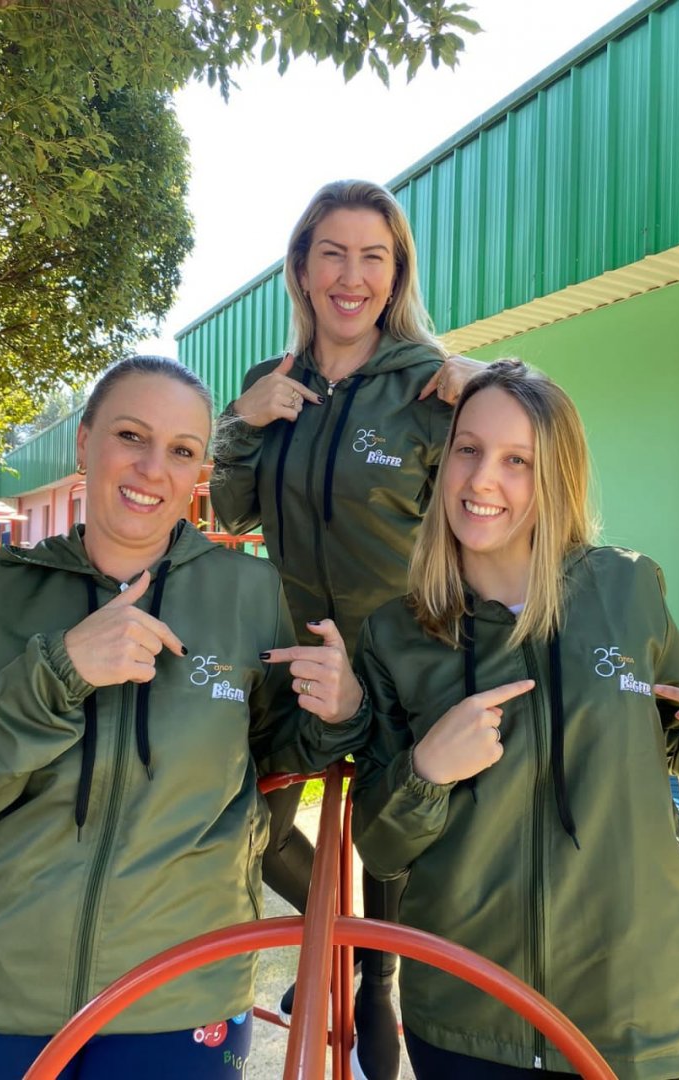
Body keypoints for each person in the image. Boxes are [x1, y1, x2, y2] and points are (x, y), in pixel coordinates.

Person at [0, 355, 368, 1080]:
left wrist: (340, 712)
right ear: (85, 441)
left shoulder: (250, 591)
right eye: (131, 436)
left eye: (182, 450)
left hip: (182, 997)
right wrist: (57, 674)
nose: (152, 469)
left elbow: (279, 751)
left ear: (200, 471)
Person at [351, 358, 679, 1080]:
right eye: (468, 449)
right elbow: (380, 845)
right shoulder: (395, 633)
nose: (481, 480)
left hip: (637, 1010)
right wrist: (427, 771)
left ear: (556, 475)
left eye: (517, 461)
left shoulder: (627, 587)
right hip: (468, 1018)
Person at [211, 179, 482, 1080]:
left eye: (374, 256)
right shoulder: (271, 380)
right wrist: (239, 424)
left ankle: (380, 977)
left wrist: (496, 383)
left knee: (388, 833)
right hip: (293, 655)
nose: (351, 276)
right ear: (301, 268)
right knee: (247, 826)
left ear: (396, 273)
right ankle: (346, 937)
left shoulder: (431, 384)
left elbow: (506, 481)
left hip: (403, 658)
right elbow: (232, 508)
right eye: (332, 253)